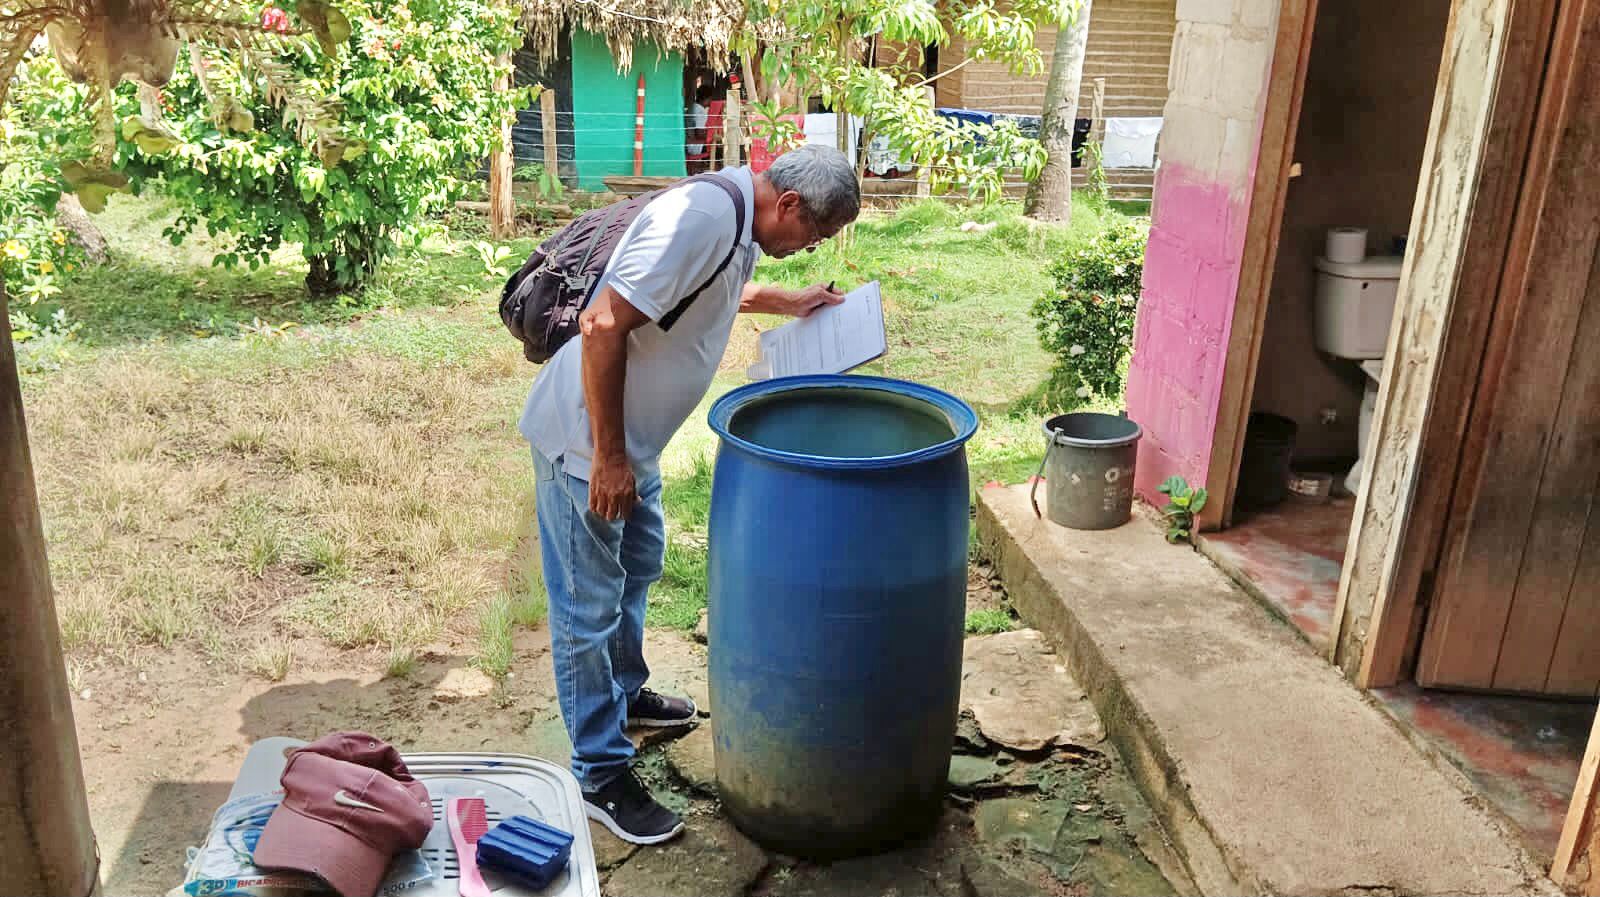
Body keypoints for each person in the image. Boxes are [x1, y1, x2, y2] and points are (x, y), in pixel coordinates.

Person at [519, 144, 862, 845]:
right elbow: (603, 323)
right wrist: (610, 455)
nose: (809, 249)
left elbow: (702, 294)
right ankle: (599, 770)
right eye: (816, 236)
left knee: (638, 567)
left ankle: (626, 694)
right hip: (587, 446)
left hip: (629, 446)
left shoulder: (743, 220)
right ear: (790, 205)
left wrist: (787, 300)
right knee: (587, 606)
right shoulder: (706, 217)